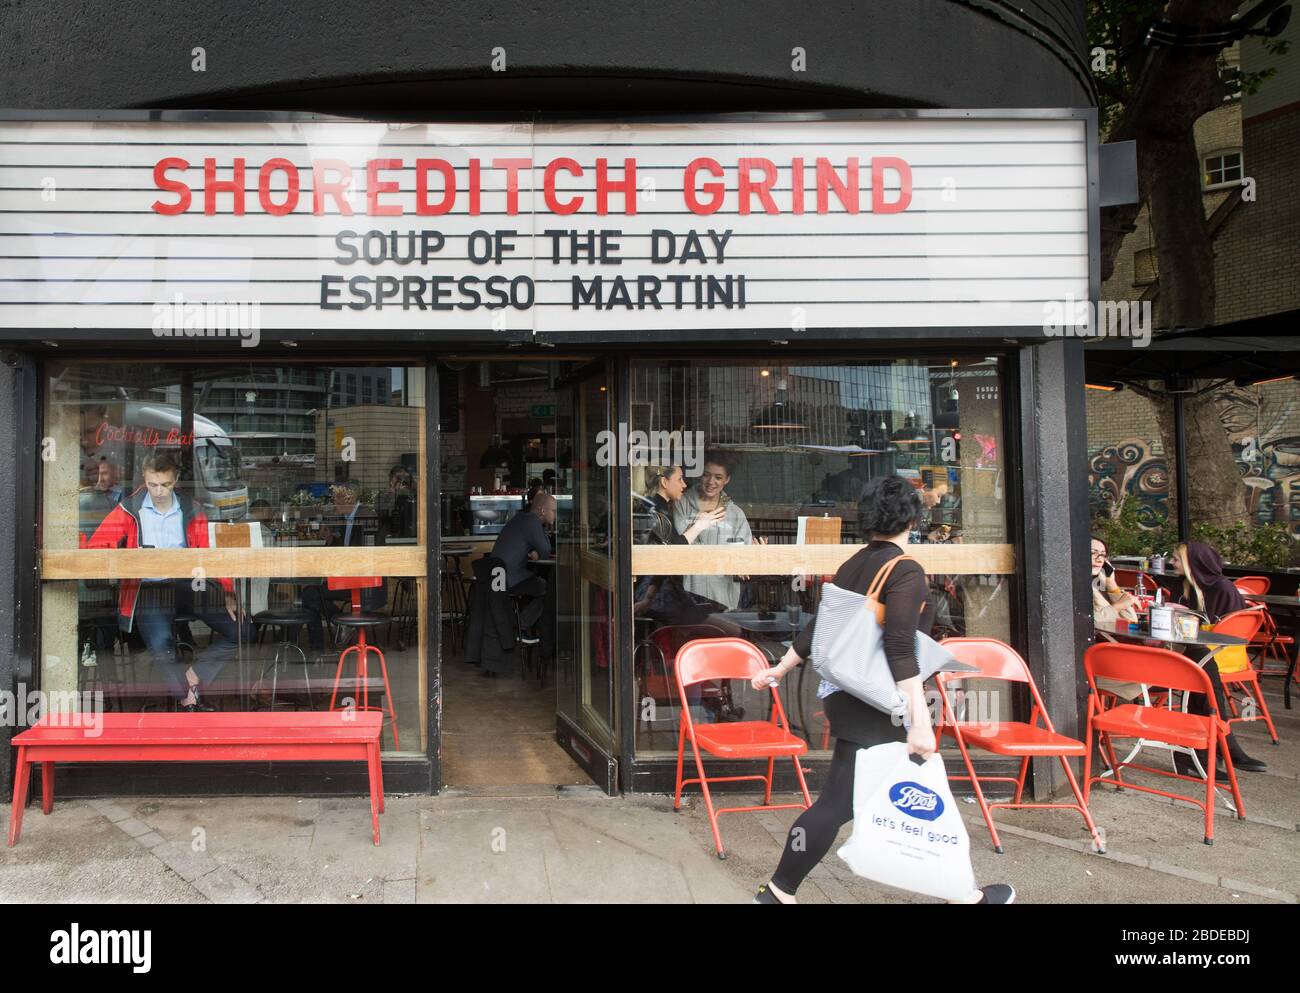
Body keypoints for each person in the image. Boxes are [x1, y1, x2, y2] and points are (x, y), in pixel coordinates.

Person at [750, 475, 1015, 905]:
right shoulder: (905, 569)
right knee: (917, 797)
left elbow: (821, 628)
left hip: (846, 695)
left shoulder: (854, 564)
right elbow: (898, 645)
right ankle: (963, 896)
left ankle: (779, 892)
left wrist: (780, 668)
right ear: (911, 516)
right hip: (879, 701)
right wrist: (918, 719)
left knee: (840, 801)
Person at [87, 451, 243, 711]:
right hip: (149, 588)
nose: (158, 491)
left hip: (189, 585)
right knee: (161, 645)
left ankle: (193, 677)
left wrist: (227, 591)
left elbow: (208, 554)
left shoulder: (192, 508)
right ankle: (187, 698)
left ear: (176, 479)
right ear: (144, 479)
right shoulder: (130, 508)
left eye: (165, 484)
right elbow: (97, 547)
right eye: (152, 484)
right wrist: (125, 559)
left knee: (241, 629)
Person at [1168, 540, 1267, 775]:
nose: (1171, 562)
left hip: (1218, 655)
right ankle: (1223, 744)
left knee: (1201, 670)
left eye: (1176, 558)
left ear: (1194, 563)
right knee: (1201, 672)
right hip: (1182, 654)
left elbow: (1232, 635)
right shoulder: (1181, 585)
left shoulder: (1223, 589)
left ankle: (1194, 755)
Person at [671, 450, 765, 610]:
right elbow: (680, 546)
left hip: (724, 596)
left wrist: (754, 558)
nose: (711, 482)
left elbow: (743, 559)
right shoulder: (682, 504)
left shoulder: (735, 513)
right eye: (707, 475)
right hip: (689, 594)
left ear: (727, 480)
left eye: (718, 477)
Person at [632, 465, 726, 623]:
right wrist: (698, 526)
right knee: (723, 622)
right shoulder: (655, 510)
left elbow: (665, 556)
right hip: (657, 594)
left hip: (653, 592)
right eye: (679, 479)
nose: (684, 485)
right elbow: (673, 552)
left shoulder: (657, 508)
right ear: (664, 482)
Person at [301, 482, 386, 653]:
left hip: (362, 582)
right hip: (347, 579)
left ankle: (319, 644)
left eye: (336, 498)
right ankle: (344, 625)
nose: (333, 502)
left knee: (310, 594)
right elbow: (343, 549)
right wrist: (332, 539)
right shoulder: (345, 519)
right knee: (311, 592)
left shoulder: (366, 516)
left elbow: (366, 554)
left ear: (349, 498)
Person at [491, 490, 557, 670]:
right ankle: (522, 625)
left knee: (536, 584)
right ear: (542, 511)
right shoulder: (533, 522)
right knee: (547, 588)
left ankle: (522, 625)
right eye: (553, 511)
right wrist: (542, 538)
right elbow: (545, 550)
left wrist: (530, 550)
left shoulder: (520, 518)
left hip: (496, 576)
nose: (555, 515)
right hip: (510, 578)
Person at [1089, 535, 1144, 702]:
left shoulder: (1097, 587)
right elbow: (1092, 622)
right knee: (1165, 666)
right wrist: (1117, 606)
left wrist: (1112, 585)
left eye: (1103, 555)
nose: (1099, 559)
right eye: (1093, 553)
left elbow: (1129, 620)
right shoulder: (1076, 586)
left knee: (1176, 658)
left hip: (1108, 657)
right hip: (1092, 667)